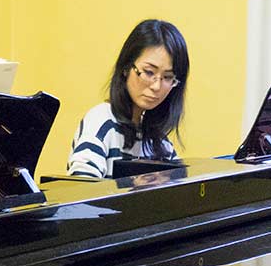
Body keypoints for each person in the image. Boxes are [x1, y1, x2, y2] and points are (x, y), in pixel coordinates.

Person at [68, 19, 190, 178]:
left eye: (168, 77)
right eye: (149, 72)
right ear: (126, 67)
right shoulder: (102, 120)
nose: (156, 86)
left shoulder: (159, 141)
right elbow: (81, 190)